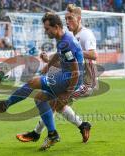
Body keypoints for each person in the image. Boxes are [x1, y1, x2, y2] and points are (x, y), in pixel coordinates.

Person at [0, 12, 84, 150]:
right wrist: (48, 65)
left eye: (47, 29)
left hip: (71, 78)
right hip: (67, 75)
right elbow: (59, 55)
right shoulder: (63, 39)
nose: (45, 32)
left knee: (33, 82)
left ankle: (5, 105)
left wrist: (68, 93)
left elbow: (75, 70)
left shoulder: (67, 42)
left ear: (56, 27)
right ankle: (53, 133)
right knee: (39, 99)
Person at [16, 4, 98, 143]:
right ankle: (81, 126)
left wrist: (75, 50)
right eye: (66, 19)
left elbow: (94, 55)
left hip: (86, 80)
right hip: (73, 76)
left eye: (70, 18)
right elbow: (65, 57)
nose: (67, 22)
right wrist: (50, 61)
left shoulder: (85, 34)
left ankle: (38, 134)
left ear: (79, 19)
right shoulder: (69, 36)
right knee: (51, 102)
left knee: (54, 103)